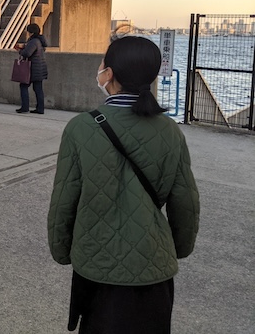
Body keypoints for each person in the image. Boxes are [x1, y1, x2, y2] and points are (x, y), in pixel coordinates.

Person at [47, 36, 200, 334]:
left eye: (103, 64)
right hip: (154, 265)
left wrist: (62, 250)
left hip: (95, 264)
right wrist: (177, 248)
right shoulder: (169, 130)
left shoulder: (81, 128)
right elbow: (185, 200)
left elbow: (64, 198)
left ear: (110, 73)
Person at [14, 23, 47, 114]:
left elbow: (27, 53)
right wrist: (24, 46)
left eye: (28, 32)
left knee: (23, 86)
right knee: (38, 89)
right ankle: (40, 109)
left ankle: (25, 107)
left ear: (31, 32)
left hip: (32, 69)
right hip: (39, 68)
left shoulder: (33, 41)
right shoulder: (39, 40)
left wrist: (19, 50)